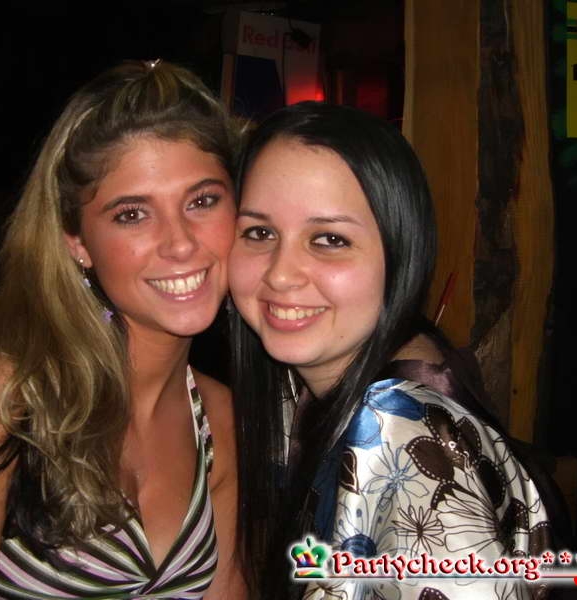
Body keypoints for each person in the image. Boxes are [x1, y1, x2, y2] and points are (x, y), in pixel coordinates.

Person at [0, 60, 247, 599]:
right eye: (132, 214)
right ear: (76, 241)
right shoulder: (0, 388)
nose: (180, 243)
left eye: (202, 201)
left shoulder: (219, 420)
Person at [228, 102, 557, 599]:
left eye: (329, 239)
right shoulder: (298, 386)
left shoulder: (403, 432)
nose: (280, 273)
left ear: (400, 253)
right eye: (260, 232)